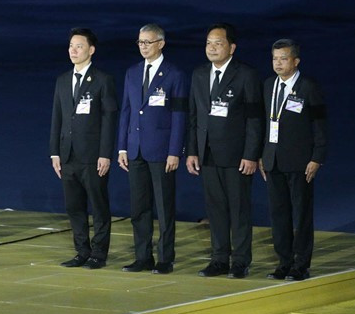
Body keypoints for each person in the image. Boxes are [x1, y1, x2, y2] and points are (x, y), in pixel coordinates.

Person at [186, 23, 263, 278]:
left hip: (237, 155)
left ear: (232, 47)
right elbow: (194, 116)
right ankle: (219, 259)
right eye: (209, 43)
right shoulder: (198, 74)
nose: (212, 48)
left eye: (218, 43)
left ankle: (240, 260)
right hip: (207, 154)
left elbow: (254, 118)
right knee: (215, 208)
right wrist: (192, 151)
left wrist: (251, 154)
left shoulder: (246, 75)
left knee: (239, 208)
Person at [117, 23, 187, 274]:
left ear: (161, 44)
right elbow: (126, 110)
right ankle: (142, 256)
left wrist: (174, 151)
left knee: (164, 207)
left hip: (161, 151)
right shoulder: (132, 73)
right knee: (139, 207)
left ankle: (165, 258)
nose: (143, 47)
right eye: (140, 43)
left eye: (148, 42)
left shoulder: (174, 75)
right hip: (135, 149)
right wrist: (122, 147)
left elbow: (179, 115)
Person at [50, 27, 118, 269]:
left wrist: (105, 154)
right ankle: (82, 251)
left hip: (92, 156)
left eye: (79, 46)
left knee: (98, 206)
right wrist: (54, 152)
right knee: (74, 207)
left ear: (91, 50)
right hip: (67, 155)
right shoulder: (62, 80)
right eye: (71, 46)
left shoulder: (102, 80)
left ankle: (99, 253)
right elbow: (56, 118)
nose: (73, 51)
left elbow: (110, 119)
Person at [259, 39, 327, 281]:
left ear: (296, 61)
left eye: (283, 58)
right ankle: (284, 262)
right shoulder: (268, 86)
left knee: (301, 215)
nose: (278, 63)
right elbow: (265, 124)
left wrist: (317, 157)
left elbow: (320, 124)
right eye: (275, 58)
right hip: (273, 161)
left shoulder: (308, 87)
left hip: (300, 162)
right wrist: (262, 155)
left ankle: (301, 264)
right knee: (278, 214)